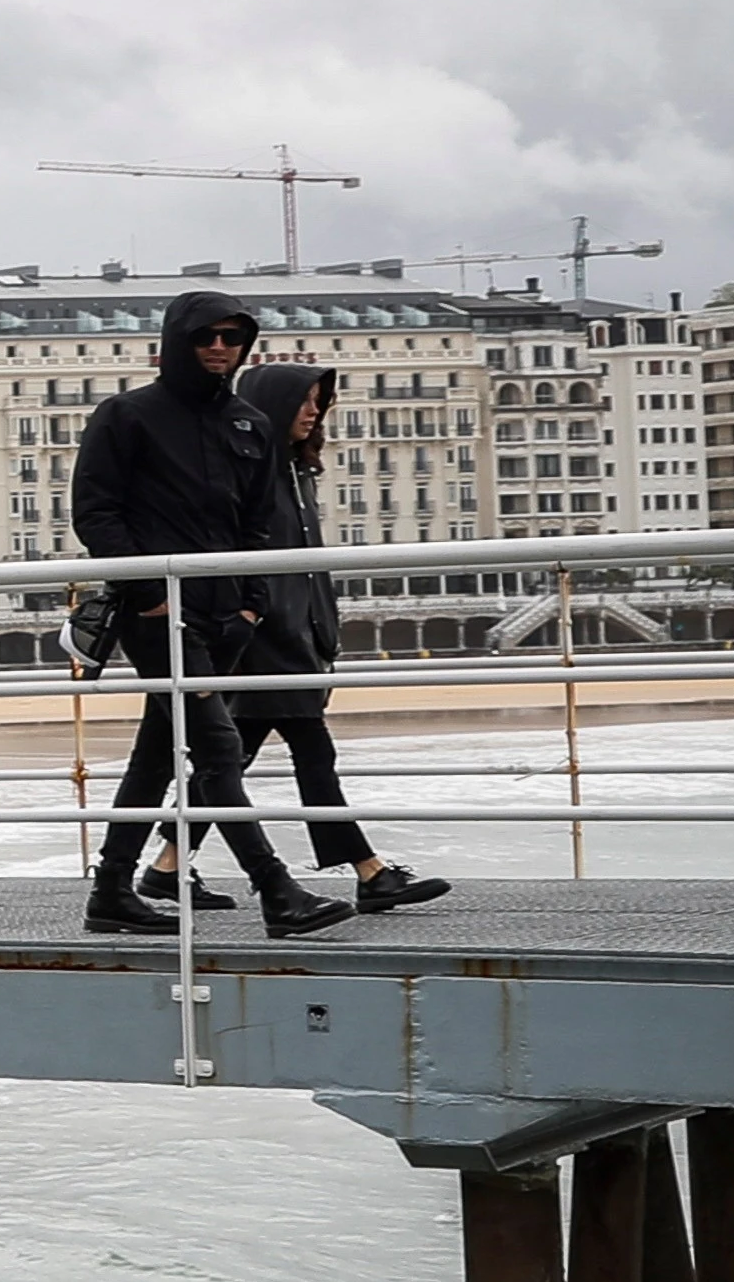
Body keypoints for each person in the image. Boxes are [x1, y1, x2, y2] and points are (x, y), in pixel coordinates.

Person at [68, 287, 347, 938]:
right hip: (155, 614)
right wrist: (147, 593)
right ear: (177, 340)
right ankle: (276, 891)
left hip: (228, 619)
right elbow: (95, 513)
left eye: (231, 337)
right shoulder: (124, 416)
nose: (219, 348)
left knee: (155, 754)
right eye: (205, 336)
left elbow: (257, 524)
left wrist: (250, 605)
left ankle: (109, 889)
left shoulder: (248, 424)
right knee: (217, 744)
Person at [226, 360, 452, 915]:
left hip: (294, 641)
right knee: (306, 754)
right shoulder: (252, 476)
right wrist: (269, 623)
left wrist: (323, 632)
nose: (314, 411)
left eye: (319, 401)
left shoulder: (297, 474)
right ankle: (369, 873)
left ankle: (165, 868)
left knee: (229, 761)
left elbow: (310, 571)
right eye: (304, 401)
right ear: (270, 408)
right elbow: (254, 566)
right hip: (267, 644)